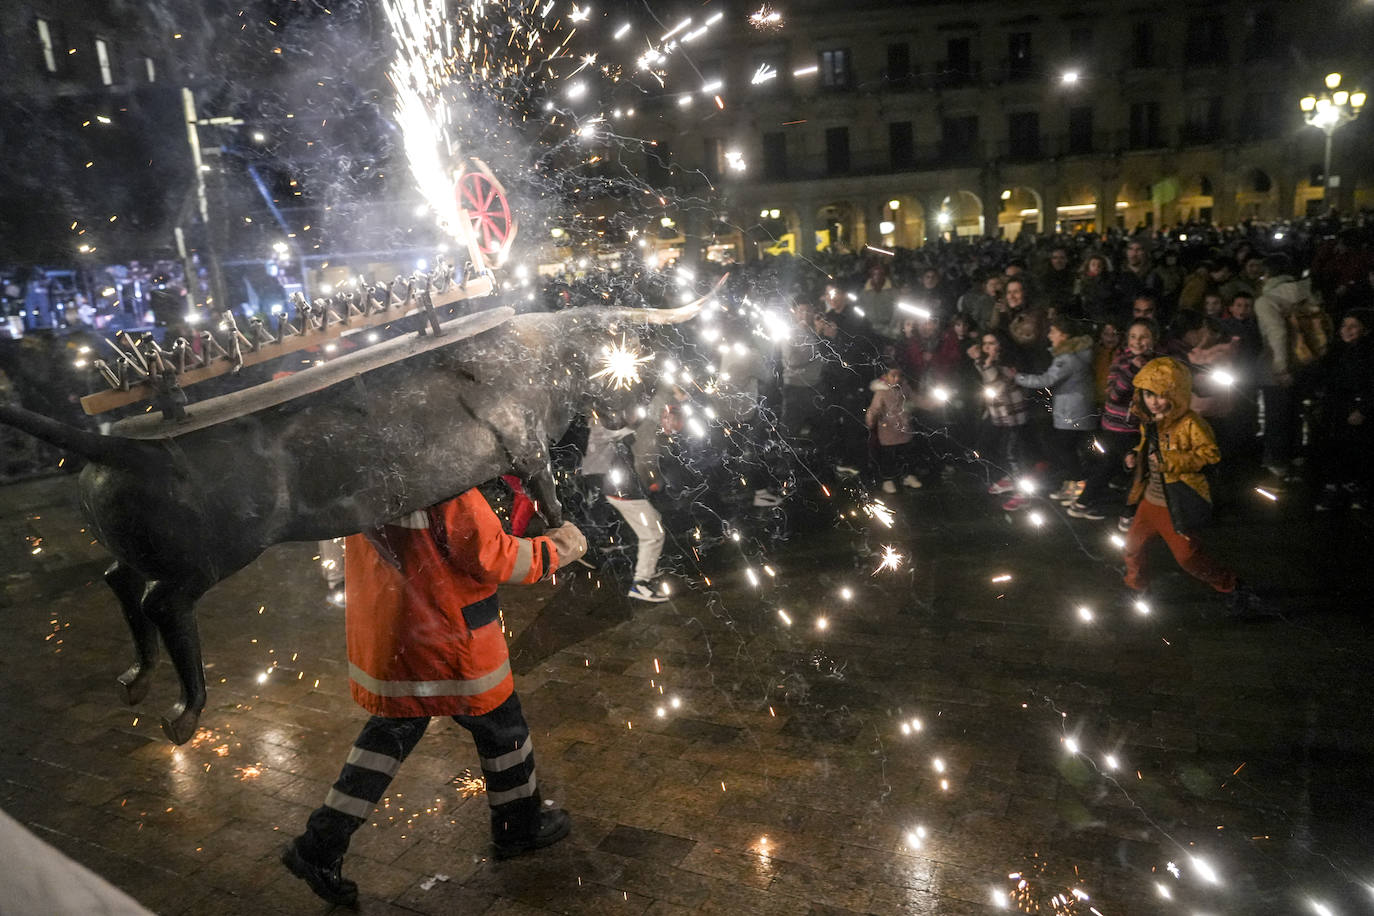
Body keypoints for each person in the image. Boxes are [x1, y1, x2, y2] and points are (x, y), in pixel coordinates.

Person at [282, 489, 588, 905]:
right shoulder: (446, 487)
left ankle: (319, 845)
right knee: (503, 725)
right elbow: (494, 557)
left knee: (388, 736)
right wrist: (558, 547)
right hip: (446, 640)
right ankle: (518, 828)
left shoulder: (365, 477)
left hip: (396, 632)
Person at [1121, 358, 1261, 615]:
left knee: (1187, 556)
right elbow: (1146, 447)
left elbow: (1210, 455)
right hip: (1149, 501)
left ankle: (1231, 585)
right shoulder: (1150, 421)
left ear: (1176, 393)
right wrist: (1135, 454)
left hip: (1175, 502)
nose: (1154, 400)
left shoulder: (1191, 424)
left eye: (1162, 395)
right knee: (1132, 547)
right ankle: (1136, 586)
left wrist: (1170, 462)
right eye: (1149, 394)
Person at [1070, 318, 1158, 522]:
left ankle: (1085, 501)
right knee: (1128, 467)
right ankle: (1127, 513)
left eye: (1144, 336)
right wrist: (1132, 371)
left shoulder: (1156, 363)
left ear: (1154, 339)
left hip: (1140, 426)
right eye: (1133, 336)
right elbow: (1114, 394)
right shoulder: (1122, 361)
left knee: (1113, 465)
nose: (1138, 341)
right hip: (1117, 427)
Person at [582, 415, 673, 600]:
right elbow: (643, 464)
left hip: (620, 489)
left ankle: (649, 567)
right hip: (626, 492)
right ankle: (641, 584)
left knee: (654, 520)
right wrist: (653, 484)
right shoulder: (641, 432)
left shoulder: (627, 430)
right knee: (654, 535)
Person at [1014, 316, 1098, 505]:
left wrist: (1017, 377)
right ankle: (1072, 485)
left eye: (1054, 331)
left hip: (1072, 412)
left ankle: (1078, 484)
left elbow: (1045, 380)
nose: (1050, 335)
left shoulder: (1068, 358)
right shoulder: (1074, 354)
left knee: (1064, 448)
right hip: (1073, 411)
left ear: (1064, 335)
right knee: (1067, 448)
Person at [1254, 254, 1310, 478]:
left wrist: (1281, 367)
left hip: (1279, 364)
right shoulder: (1305, 291)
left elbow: (1277, 333)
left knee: (1276, 414)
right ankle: (1296, 454)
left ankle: (1277, 462)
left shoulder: (1266, 300)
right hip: (1306, 360)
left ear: (1268, 274)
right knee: (1295, 411)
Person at [1312, 310, 1374, 510]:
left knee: (1356, 450)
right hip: (1335, 408)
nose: (1346, 331)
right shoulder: (1336, 350)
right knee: (1334, 448)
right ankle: (1335, 487)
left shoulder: (1367, 353)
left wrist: (1362, 408)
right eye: (1344, 326)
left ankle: (1357, 489)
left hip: (1355, 406)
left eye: (1353, 326)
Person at [970, 330, 1032, 509]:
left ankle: (1024, 492)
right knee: (988, 446)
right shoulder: (991, 363)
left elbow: (996, 384)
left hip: (1012, 416)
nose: (987, 347)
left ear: (1001, 346)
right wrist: (980, 361)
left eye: (992, 343)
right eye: (985, 344)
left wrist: (984, 363)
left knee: (1012, 453)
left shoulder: (1007, 364)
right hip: (997, 415)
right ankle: (1010, 477)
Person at [865, 365, 923, 493]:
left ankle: (908, 476)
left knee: (907, 453)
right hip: (888, 429)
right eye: (893, 376)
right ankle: (888, 479)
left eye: (899, 376)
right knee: (889, 456)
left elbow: (916, 399)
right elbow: (874, 408)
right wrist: (871, 419)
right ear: (886, 376)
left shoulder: (904, 388)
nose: (896, 379)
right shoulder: (881, 391)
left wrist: (930, 403)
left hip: (905, 426)